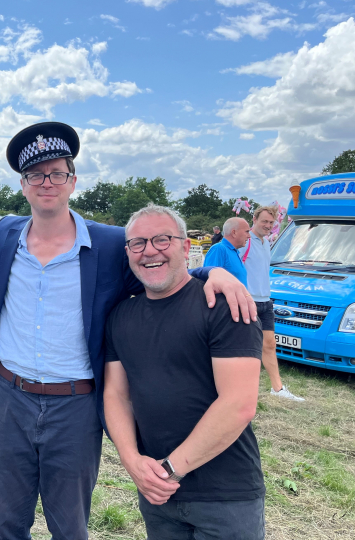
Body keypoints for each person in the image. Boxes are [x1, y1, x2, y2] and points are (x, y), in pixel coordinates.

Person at [0, 122, 257, 540]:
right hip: (11, 399)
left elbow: (159, 266)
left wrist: (211, 272)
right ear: (24, 185)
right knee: (6, 524)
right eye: (35, 175)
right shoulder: (3, 236)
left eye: (57, 173)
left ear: (72, 181)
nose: (47, 183)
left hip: (77, 406)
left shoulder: (108, 244)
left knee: (70, 527)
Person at [104, 204, 265, 538]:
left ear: (185, 247)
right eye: (138, 243)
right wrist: (132, 460)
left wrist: (170, 470)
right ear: (128, 252)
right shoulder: (120, 316)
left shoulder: (225, 306)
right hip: (157, 495)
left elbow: (238, 403)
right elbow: (116, 394)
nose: (149, 251)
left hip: (225, 495)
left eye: (162, 240)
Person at [240, 206, 305, 402]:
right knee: (245, 347)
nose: (268, 226)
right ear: (254, 219)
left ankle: (277, 389)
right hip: (248, 300)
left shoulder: (267, 243)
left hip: (266, 302)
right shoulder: (245, 242)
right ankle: (240, 389)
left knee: (269, 344)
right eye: (264, 221)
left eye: (271, 223)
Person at [203, 217, 250, 286]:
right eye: (247, 232)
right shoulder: (218, 249)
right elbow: (212, 283)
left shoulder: (233, 251)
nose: (249, 236)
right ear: (234, 233)